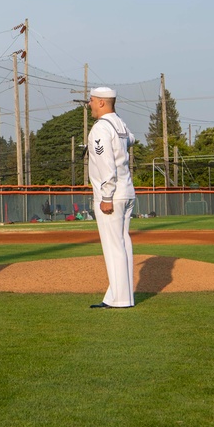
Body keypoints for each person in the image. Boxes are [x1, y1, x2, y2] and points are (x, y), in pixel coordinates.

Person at [85, 87, 137, 309]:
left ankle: (121, 300)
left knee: (113, 247)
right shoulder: (120, 123)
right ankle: (115, 296)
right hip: (126, 191)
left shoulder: (100, 129)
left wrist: (106, 195)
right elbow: (131, 139)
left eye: (93, 100)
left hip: (112, 195)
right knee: (123, 244)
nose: (90, 104)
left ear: (102, 103)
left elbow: (105, 163)